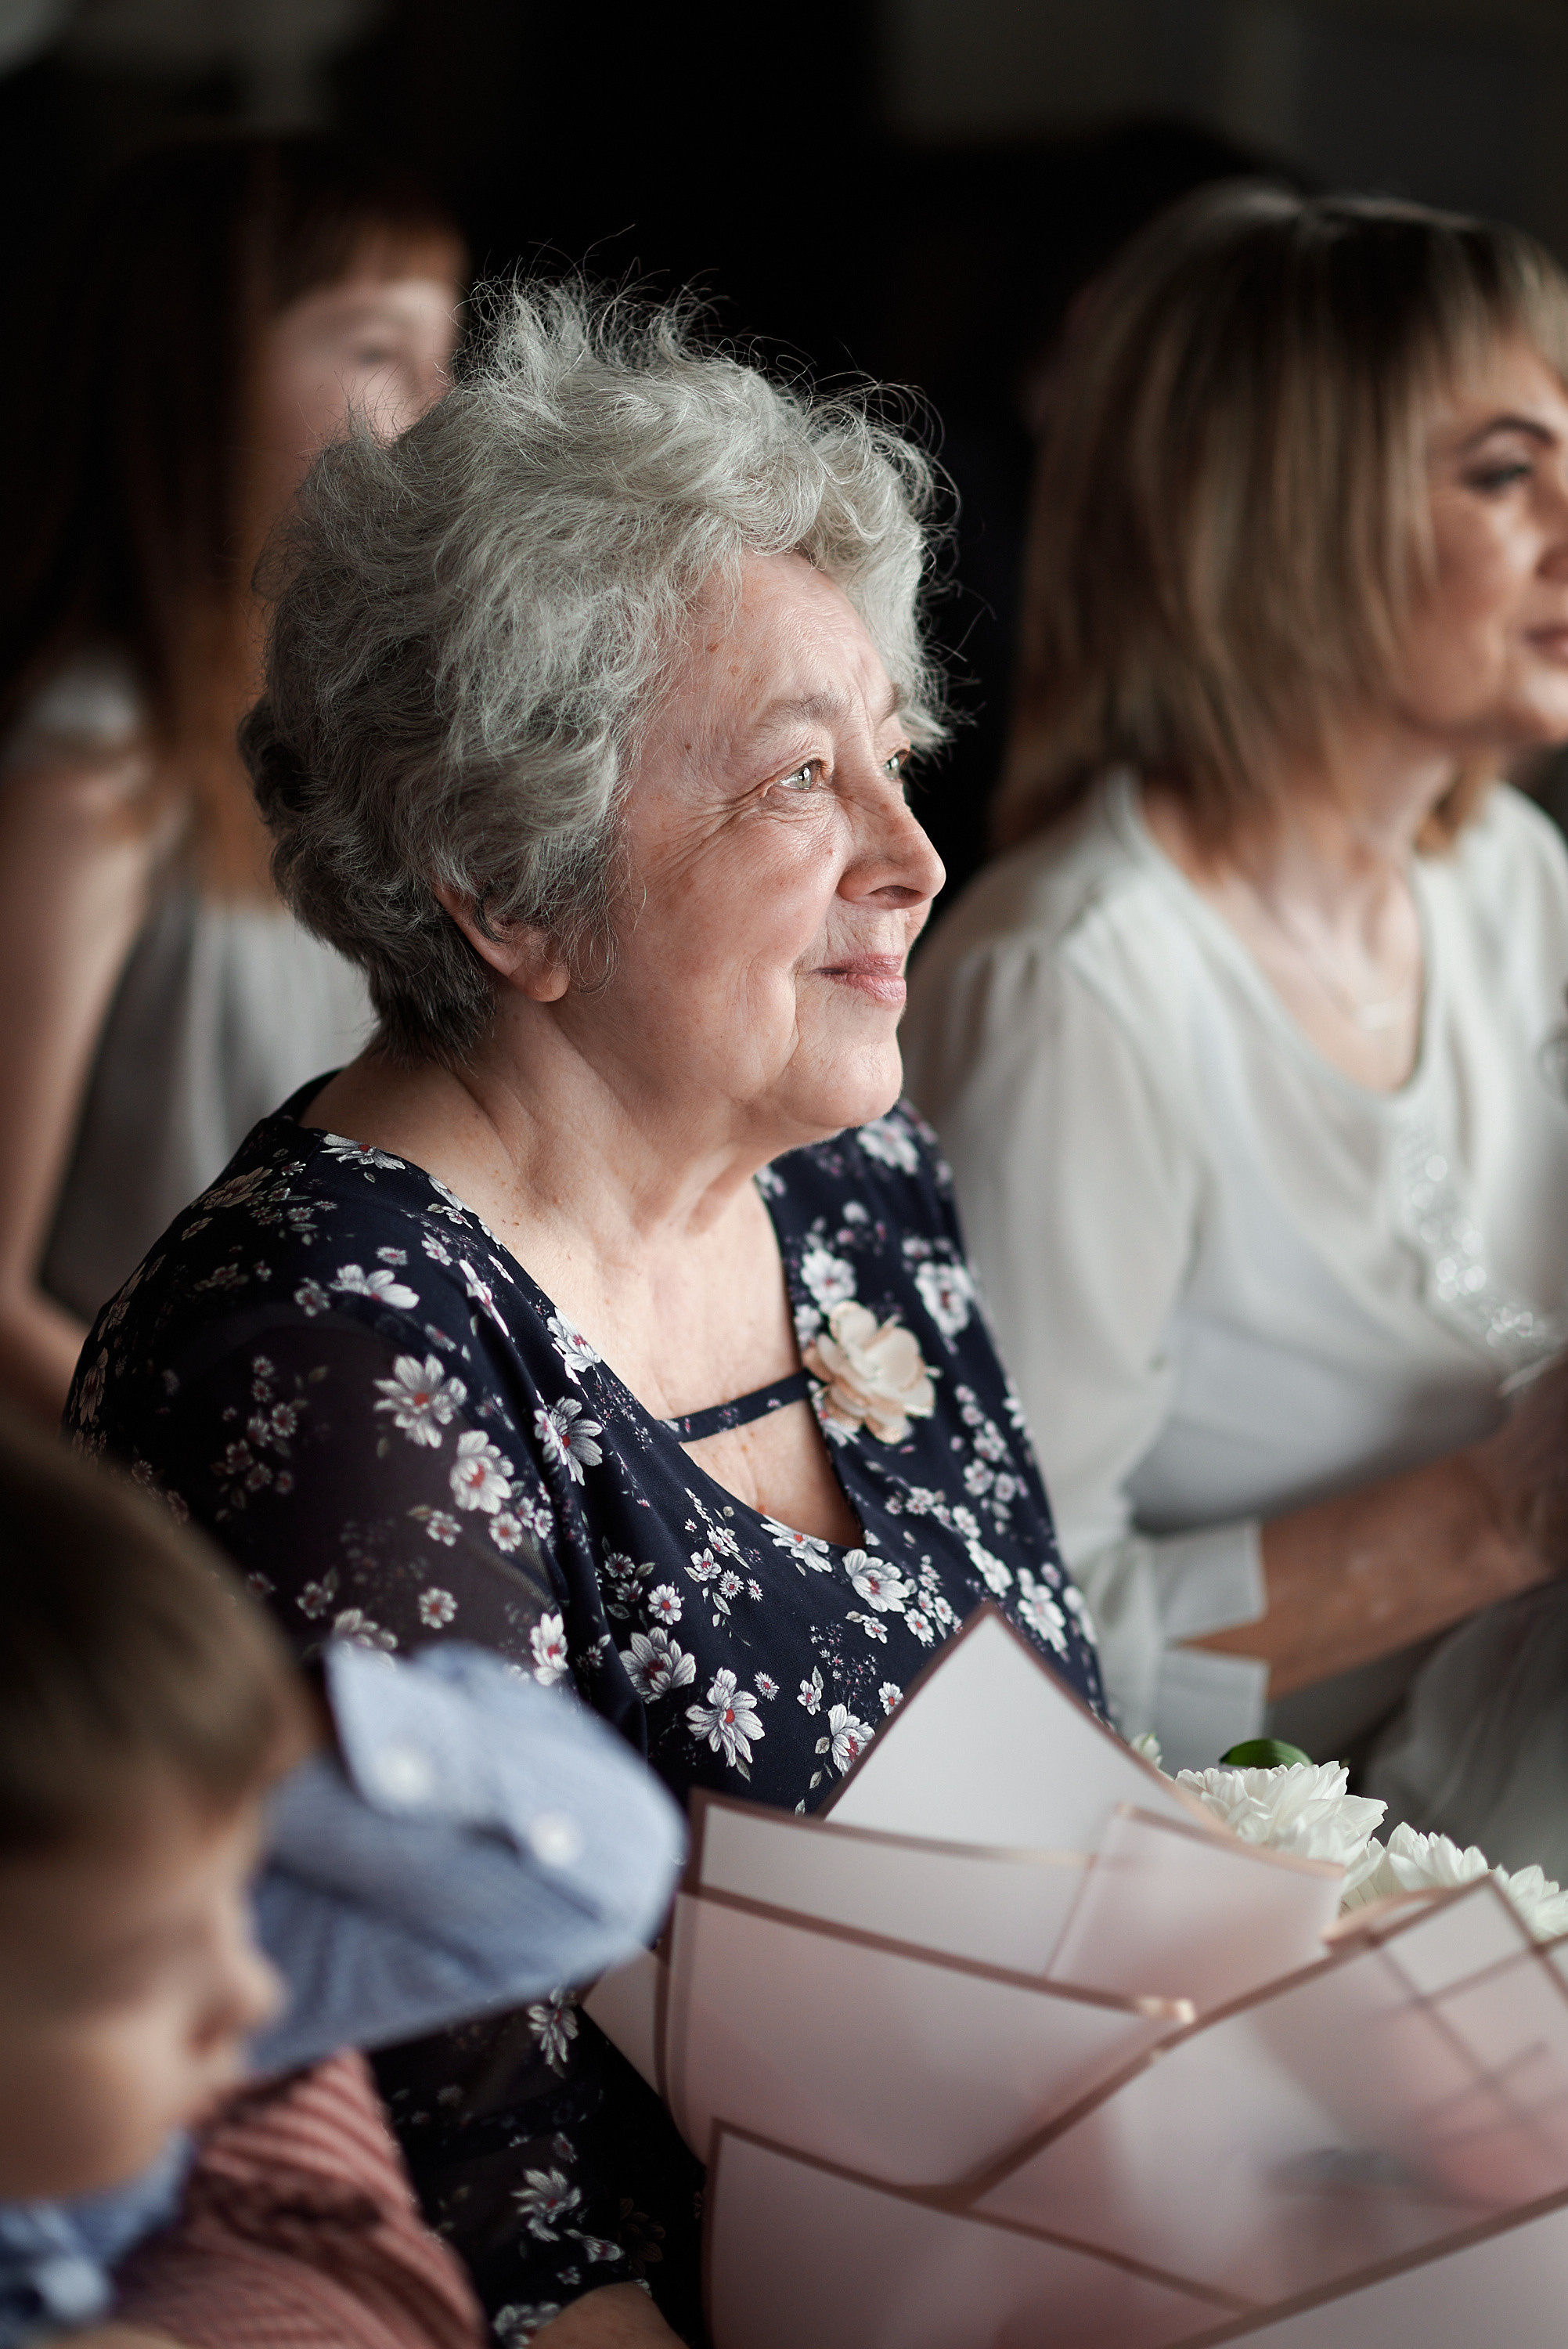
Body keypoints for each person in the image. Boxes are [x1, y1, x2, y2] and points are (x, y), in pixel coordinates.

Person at [65, 286, 1105, 2347]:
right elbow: (500, 2223)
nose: (913, 858)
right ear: (507, 888)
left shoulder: (847, 1181)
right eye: (798, 779)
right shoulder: (329, 1355)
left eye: (891, 759)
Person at [902, 186, 1568, 1841]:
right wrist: (1498, 1517)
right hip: (1294, 1867)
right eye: (1503, 473)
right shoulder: (1070, 990)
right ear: (1281, 519)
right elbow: (988, 1665)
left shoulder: (1506, 878)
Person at [0, 1410, 683, 2349]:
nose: (250, 1993)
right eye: (134, 1976)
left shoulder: (129, 1922)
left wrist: (264, 1735)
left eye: (239, 1888)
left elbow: (598, 1879)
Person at [0, 132, 467, 1426]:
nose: (438, 405)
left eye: (443, 351)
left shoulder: (357, 745)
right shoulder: (88, 783)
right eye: (374, 349)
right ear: (193, 374)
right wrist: (209, 1489)